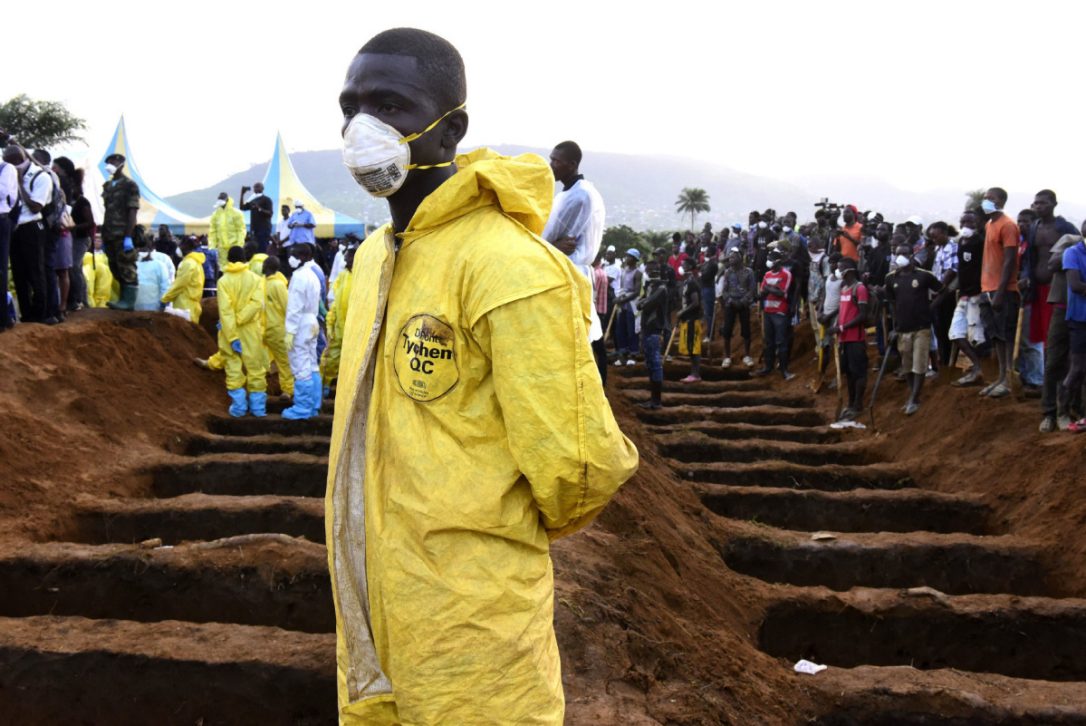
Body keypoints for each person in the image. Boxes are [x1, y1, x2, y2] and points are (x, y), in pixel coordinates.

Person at [328, 28, 637, 724]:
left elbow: (579, 471)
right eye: (350, 106)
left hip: (474, 637)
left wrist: (469, 540)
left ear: (450, 129)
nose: (361, 127)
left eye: (390, 105)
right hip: (372, 619)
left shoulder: (513, 269)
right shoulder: (376, 257)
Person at [542, 140, 607, 377]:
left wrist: (548, 244)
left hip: (569, 272)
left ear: (572, 164)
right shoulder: (569, 193)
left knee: (579, 340)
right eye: (551, 159)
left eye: (556, 161)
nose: (551, 165)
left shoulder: (579, 197)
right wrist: (550, 245)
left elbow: (557, 240)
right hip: (563, 268)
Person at [885, 242, 942, 414]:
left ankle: (915, 398)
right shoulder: (891, 278)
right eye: (897, 253)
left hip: (921, 327)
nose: (900, 256)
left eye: (904, 253)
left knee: (919, 364)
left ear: (912, 254)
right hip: (903, 329)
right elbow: (893, 304)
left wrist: (930, 308)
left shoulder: (924, 276)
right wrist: (894, 327)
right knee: (907, 365)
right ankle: (912, 394)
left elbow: (942, 290)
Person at [977, 187, 1021, 399]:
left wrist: (1001, 292)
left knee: (1006, 334)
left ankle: (1009, 380)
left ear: (1001, 201)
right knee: (996, 336)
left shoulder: (1008, 225)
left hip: (1003, 290)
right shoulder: (989, 224)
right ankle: (1001, 376)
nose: (986, 201)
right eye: (985, 198)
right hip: (987, 288)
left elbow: (1010, 260)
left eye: (991, 198)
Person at [216, 246, 267, 417]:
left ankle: (238, 407)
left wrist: (231, 330)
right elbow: (257, 303)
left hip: (229, 330)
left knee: (232, 367)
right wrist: (241, 319)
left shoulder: (223, 281)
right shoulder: (255, 279)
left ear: (229, 260)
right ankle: (258, 408)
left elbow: (225, 310)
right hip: (251, 330)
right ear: (245, 259)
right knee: (255, 367)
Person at [281, 242, 322, 419]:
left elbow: (294, 307)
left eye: (295, 254)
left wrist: (290, 330)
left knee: (301, 364)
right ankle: (314, 404)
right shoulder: (313, 274)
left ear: (304, 256)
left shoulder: (299, 277)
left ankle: (303, 408)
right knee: (312, 363)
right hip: (312, 321)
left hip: (301, 323)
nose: (291, 258)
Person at [100, 153, 140, 310]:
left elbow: (132, 211)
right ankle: (123, 299)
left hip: (123, 232)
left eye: (113, 161)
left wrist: (128, 236)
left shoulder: (130, 185)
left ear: (121, 164)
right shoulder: (108, 186)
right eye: (108, 162)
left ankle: (129, 302)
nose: (110, 164)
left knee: (126, 266)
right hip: (109, 232)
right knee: (114, 266)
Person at [54, 157, 94, 311]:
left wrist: (74, 227)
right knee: (70, 267)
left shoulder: (82, 202)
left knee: (74, 267)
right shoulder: (68, 202)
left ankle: (80, 299)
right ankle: (75, 299)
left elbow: (91, 223)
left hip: (81, 238)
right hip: (72, 236)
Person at [319, 243, 355, 398]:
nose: (345, 260)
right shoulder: (342, 276)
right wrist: (330, 321)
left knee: (354, 362)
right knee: (331, 356)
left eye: (348, 257)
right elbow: (335, 302)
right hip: (339, 327)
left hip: (356, 330)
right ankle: (325, 385)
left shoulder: (364, 276)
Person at [835, 258, 869, 419]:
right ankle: (850, 404)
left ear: (848, 270)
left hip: (856, 338)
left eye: (840, 268)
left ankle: (858, 404)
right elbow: (842, 311)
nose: (837, 270)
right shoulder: (844, 288)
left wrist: (843, 327)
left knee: (858, 372)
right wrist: (837, 326)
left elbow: (863, 315)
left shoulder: (859, 289)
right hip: (844, 339)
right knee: (848, 372)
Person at [1061, 224, 1086, 432]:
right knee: (1077, 367)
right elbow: (1076, 286)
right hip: (1080, 318)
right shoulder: (1072, 253)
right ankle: (1063, 411)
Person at [755, 249, 795, 379]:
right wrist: (771, 289)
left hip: (780, 312)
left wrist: (769, 289)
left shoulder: (786, 274)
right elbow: (762, 293)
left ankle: (784, 370)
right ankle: (768, 367)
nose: (768, 261)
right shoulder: (767, 274)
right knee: (769, 341)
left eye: (770, 259)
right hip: (768, 311)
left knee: (781, 341)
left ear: (777, 261)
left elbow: (781, 293)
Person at [637, 260, 670, 407]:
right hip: (648, 329)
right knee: (650, 364)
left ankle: (656, 401)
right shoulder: (650, 287)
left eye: (652, 271)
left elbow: (647, 303)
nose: (650, 274)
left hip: (656, 330)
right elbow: (640, 303)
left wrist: (643, 303)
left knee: (655, 364)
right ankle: (653, 399)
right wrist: (643, 303)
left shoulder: (661, 288)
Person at [262, 255, 294, 399]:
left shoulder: (272, 285)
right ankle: (286, 390)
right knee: (282, 361)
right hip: (274, 330)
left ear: (268, 267)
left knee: (276, 361)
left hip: (267, 329)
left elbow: (288, 308)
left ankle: (283, 390)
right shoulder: (276, 285)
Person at [717, 250, 755, 367]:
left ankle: (747, 356)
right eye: (730, 258)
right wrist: (731, 301)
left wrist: (743, 301)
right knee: (727, 330)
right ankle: (727, 357)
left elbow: (752, 290)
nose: (730, 260)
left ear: (740, 258)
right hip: (731, 304)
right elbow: (725, 291)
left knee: (746, 330)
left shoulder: (749, 272)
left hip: (743, 304)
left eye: (733, 258)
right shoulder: (728, 272)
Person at [160, 235, 206, 324]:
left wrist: (165, 299)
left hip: (184, 308)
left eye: (180, 245)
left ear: (186, 247)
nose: (178, 248)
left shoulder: (188, 264)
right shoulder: (196, 263)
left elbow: (179, 285)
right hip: (192, 307)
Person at [0, 146, 19, 329]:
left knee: (0, 270)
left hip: (1, 220)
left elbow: (2, 193)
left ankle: (2, 319)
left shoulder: (7, 168)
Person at [614, 248, 643, 365]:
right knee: (621, 329)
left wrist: (624, 299)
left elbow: (636, 292)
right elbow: (622, 288)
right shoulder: (624, 271)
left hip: (632, 304)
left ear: (635, 259)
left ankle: (633, 354)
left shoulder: (638, 273)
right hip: (623, 302)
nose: (626, 259)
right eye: (626, 256)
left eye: (629, 257)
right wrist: (618, 298)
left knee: (632, 330)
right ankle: (622, 354)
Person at [677, 262, 703, 382]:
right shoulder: (687, 282)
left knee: (694, 347)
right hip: (687, 319)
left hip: (692, 319)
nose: (682, 267)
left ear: (689, 268)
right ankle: (693, 373)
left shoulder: (692, 282)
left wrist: (683, 312)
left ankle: (695, 374)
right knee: (690, 346)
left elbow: (695, 302)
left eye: (684, 265)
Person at [133, 235, 170, 311]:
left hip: (153, 308)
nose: (141, 251)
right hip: (137, 307)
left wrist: (163, 304)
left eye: (143, 248)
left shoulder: (159, 265)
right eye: (139, 248)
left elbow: (165, 287)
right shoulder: (132, 265)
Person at [239, 182, 274, 253]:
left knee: (263, 249)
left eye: (258, 186)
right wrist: (242, 194)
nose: (256, 188)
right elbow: (242, 207)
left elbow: (270, 213)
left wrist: (259, 208)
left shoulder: (267, 199)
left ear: (262, 188)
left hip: (264, 229)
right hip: (254, 230)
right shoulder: (253, 200)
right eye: (254, 187)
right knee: (254, 250)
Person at [209, 192, 245, 257]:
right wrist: (212, 247)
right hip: (221, 250)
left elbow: (241, 230)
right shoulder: (215, 214)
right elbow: (213, 232)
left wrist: (239, 246)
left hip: (234, 249)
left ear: (227, 200)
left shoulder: (236, 213)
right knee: (222, 266)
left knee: (234, 266)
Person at [84, 236, 113, 308]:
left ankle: (101, 302)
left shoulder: (105, 254)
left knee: (102, 287)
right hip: (91, 269)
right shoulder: (88, 253)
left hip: (103, 271)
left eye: (99, 241)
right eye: (96, 241)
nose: (97, 243)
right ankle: (90, 302)